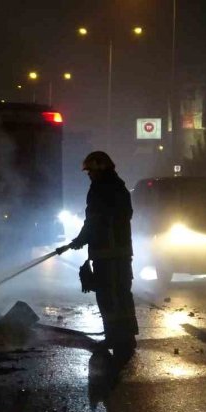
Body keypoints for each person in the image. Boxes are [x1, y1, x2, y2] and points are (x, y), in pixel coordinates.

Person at [57, 151, 138, 366]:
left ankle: (114, 337)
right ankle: (127, 336)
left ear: (100, 168)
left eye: (91, 171)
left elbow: (94, 221)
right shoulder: (119, 187)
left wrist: (80, 239)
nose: (89, 175)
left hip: (107, 254)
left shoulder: (100, 189)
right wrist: (82, 239)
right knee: (122, 294)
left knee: (108, 297)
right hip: (121, 254)